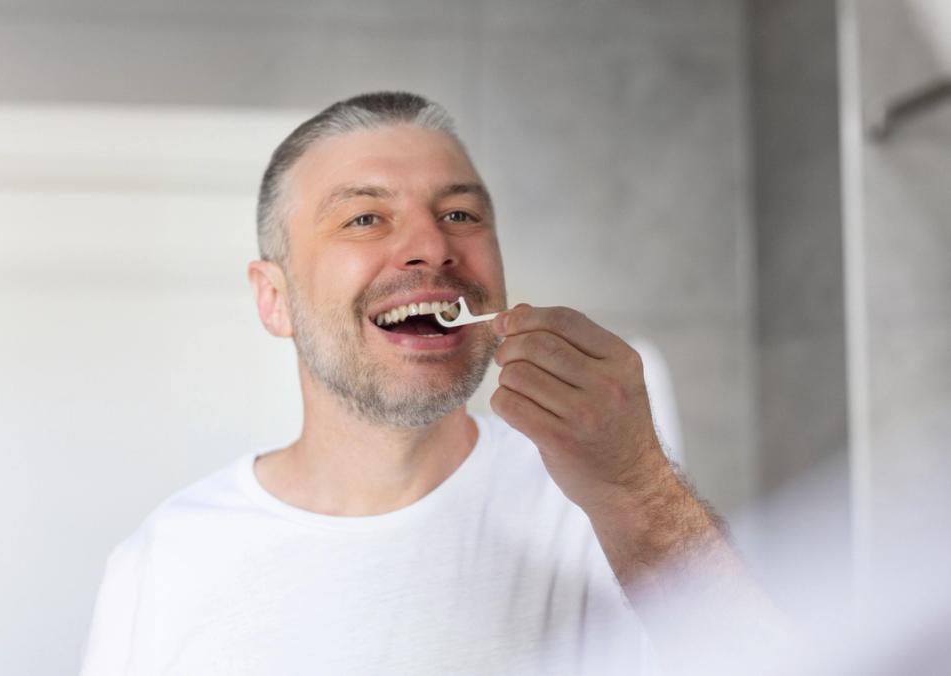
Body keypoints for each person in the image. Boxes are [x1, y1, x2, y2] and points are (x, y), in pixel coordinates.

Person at [79, 91, 758, 675]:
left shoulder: (595, 492)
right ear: (274, 299)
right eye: (365, 218)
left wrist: (638, 487)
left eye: (460, 214)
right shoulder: (165, 565)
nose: (432, 246)